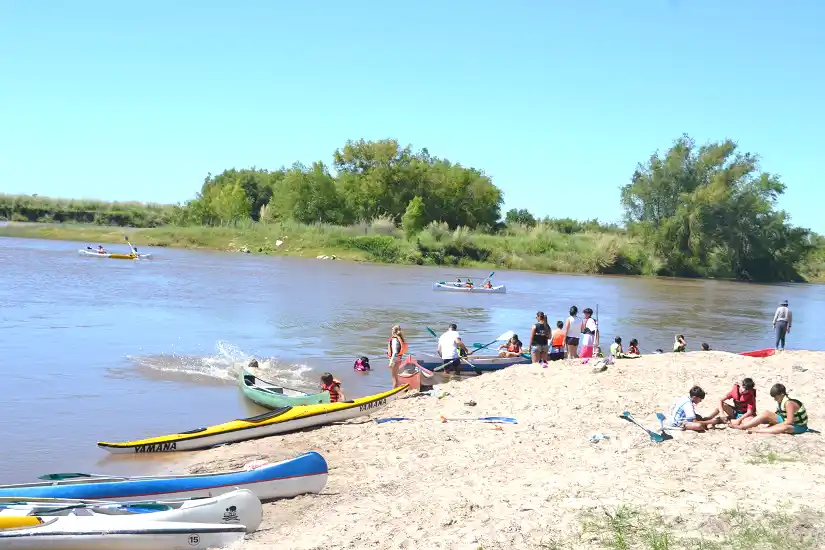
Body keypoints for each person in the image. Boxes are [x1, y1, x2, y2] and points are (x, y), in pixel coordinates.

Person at [733, 383, 808, 435]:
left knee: (784, 427)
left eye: (776, 397)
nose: (775, 399)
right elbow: (779, 413)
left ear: (782, 395)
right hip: (784, 419)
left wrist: (774, 426)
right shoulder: (781, 400)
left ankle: (758, 431)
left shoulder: (789, 403)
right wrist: (770, 420)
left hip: (799, 426)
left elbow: (790, 421)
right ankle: (743, 426)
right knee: (766, 413)